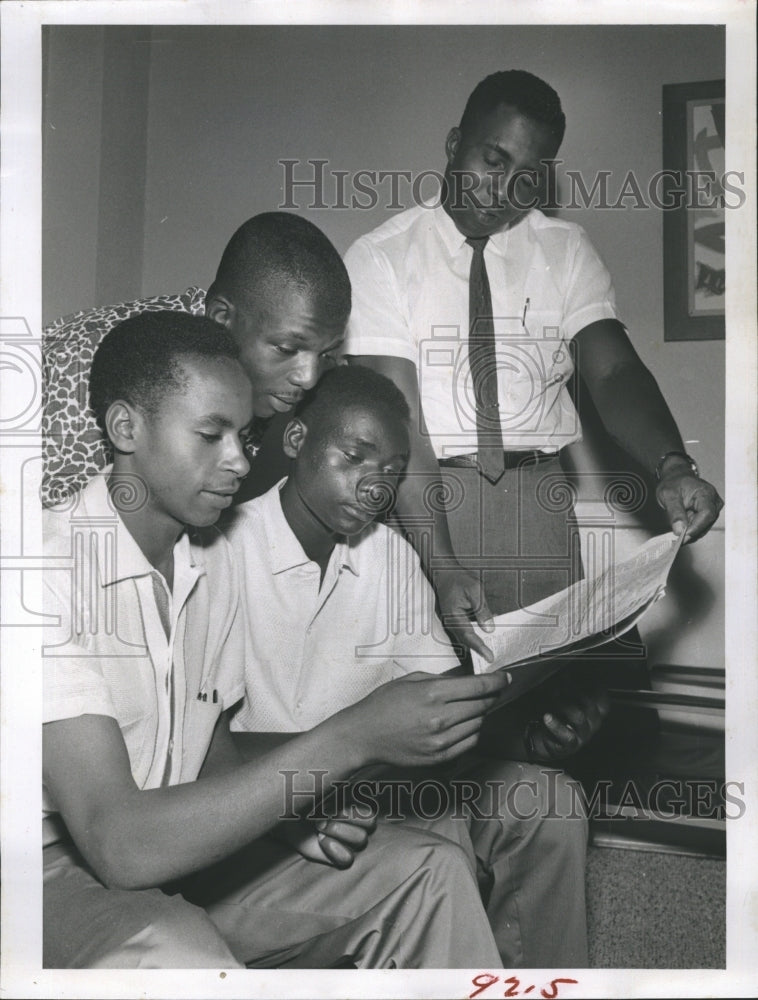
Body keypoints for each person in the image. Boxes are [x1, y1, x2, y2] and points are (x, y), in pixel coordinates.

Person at [42, 310, 512, 969]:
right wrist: (350, 740)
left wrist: (295, 812)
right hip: (51, 871)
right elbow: (119, 845)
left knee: (427, 869)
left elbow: (210, 747)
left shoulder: (207, 555)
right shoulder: (43, 570)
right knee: (183, 957)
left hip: (189, 845)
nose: (238, 461)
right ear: (126, 428)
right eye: (211, 435)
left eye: (244, 435)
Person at [342, 69, 724, 671]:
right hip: (423, 501)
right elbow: (399, 423)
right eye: (493, 160)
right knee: (438, 723)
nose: (503, 190)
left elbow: (614, 372)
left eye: (528, 177)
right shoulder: (380, 257)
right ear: (452, 144)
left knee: (557, 704)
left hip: (539, 503)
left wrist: (672, 464)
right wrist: (442, 566)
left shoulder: (566, 250)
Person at [223, 364, 597, 968]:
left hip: (373, 784)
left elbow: (435, 705)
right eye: (355, 457)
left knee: (549, 802)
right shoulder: (223, 552)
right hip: (271, 813)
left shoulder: (390, 555)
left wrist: (530, 728)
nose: (375, 486)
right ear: (296, 442)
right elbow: (198, 758)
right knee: (440, 835)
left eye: (393, 473)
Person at [42, 211, 348, 508]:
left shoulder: (250, 375)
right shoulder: (88, 366)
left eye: (324, 354)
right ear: (221, 318)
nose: (308, 377)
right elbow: (40, 535)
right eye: (286, 348)